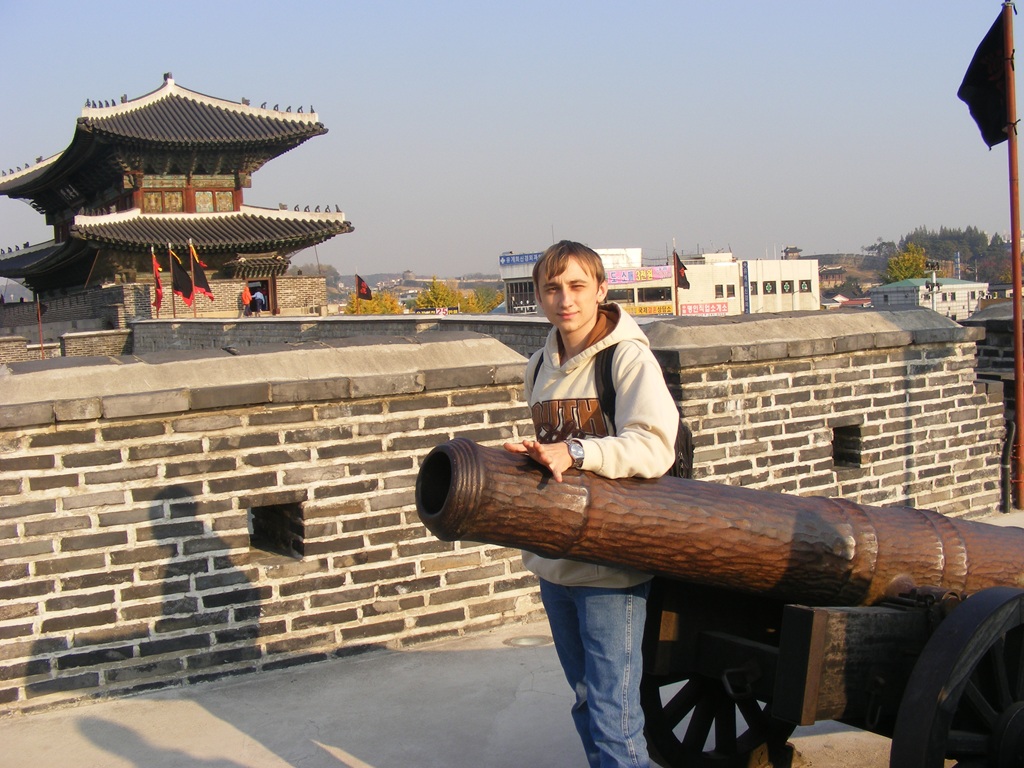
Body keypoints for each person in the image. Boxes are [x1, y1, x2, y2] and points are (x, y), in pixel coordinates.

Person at [504, 240, 678, 768]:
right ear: (537, 296)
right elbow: (553, 447)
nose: (566, 300)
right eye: (552, 289)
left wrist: (575, 450)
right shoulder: (538, 365)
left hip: (611, 565)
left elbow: (654, 445)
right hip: (555, 560)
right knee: (584, 699)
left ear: (602, 290)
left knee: (614, 716)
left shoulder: (627, 357)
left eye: (578, 286)